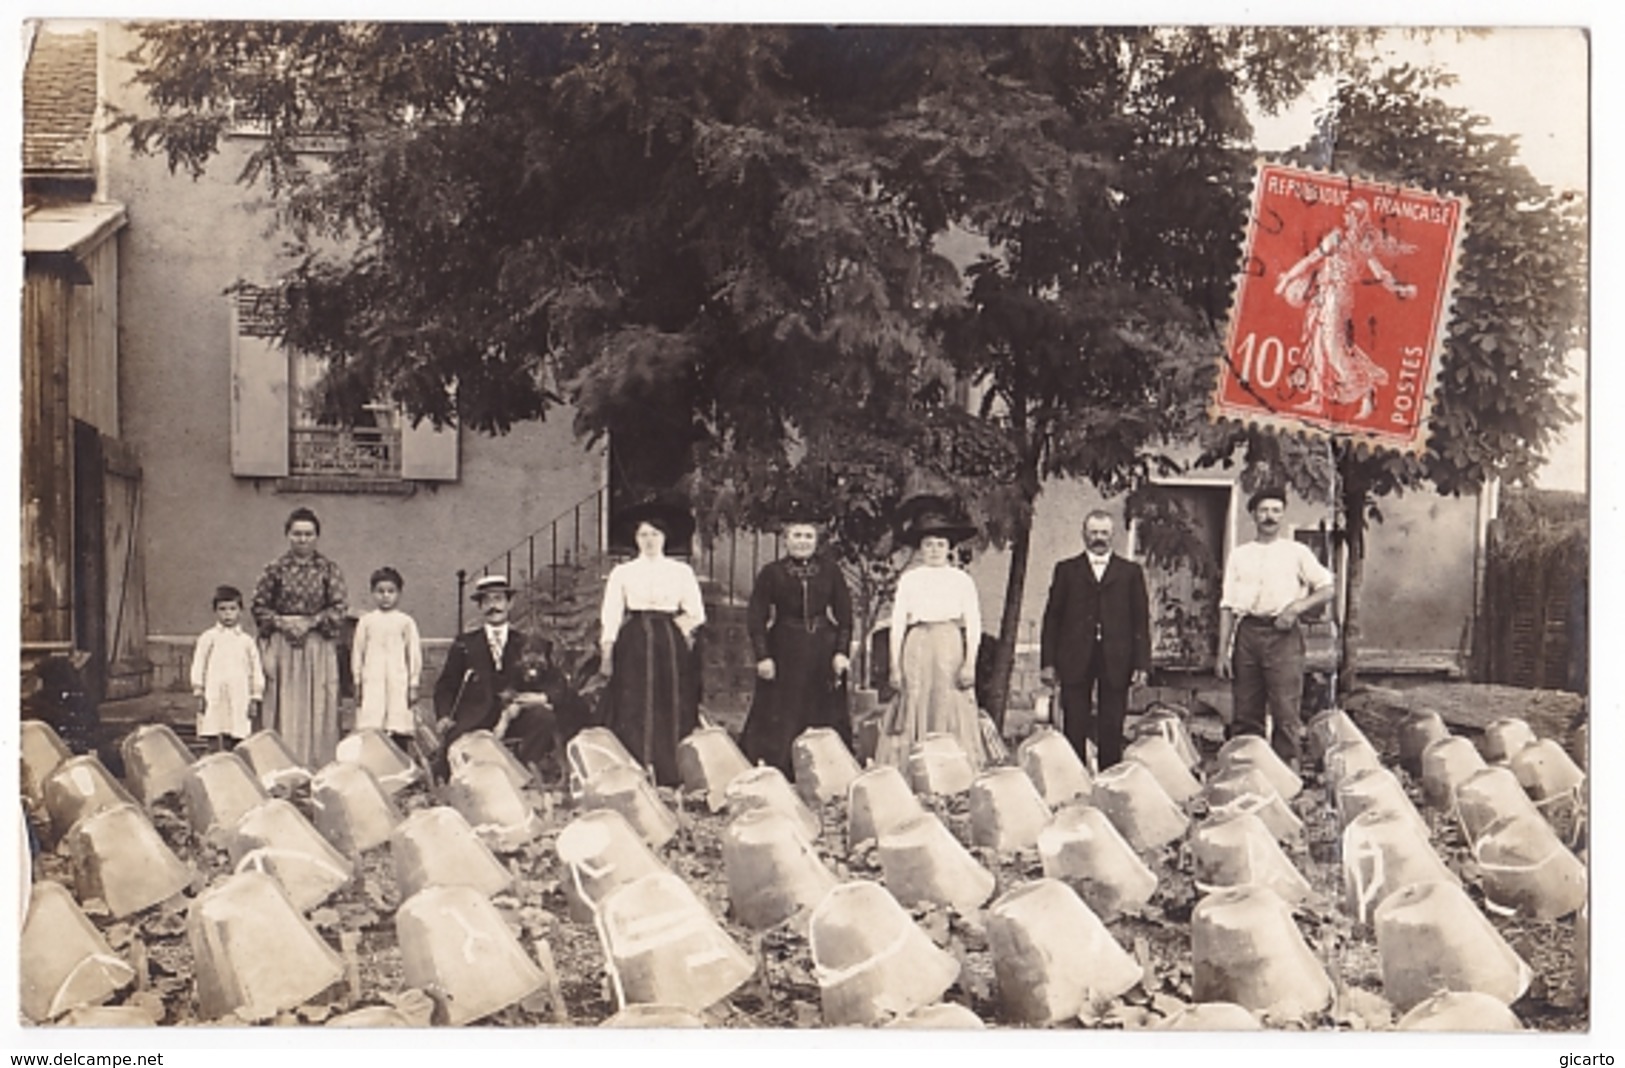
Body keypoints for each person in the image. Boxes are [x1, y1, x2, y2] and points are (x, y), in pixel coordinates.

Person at [1215, 487, 1336, 769]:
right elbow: (1227, 606)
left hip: (1284, 636)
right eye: (1263, 511)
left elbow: (1328, 588)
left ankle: (1287, 777)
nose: (1269, 517)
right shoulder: (1240, 555)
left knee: (1285, 711)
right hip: (1247, 633)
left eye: (1275, 510)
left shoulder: (1296, 552)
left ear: (1282, 515)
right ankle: (1248, 773)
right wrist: (1222, 653)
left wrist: (1295, 608)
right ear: (1254, 515)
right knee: (1246, 711)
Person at [1275, 198, 1417, 420]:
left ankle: (1361, 384)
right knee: (1318, 343)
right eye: (1346, 213)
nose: (1345, 217)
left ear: (1358, 218)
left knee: (1332, 347)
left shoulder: (1353, 242)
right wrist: (1288, 280)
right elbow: (1311, 260)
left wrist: (1399, 289)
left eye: (1350, 214)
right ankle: (1319, 397)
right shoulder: (1348, 240)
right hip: (1326, 294)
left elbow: (1379, 273)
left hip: (1336, 296)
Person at [739, 509, 854, 777]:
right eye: (797, 536)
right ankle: (780, 769)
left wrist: (841, 652)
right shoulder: (771, 573)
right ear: (786, 540)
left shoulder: (830, 571)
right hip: (784, 647)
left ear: (816, 541)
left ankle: (826, 770)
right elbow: (756, 617)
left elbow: (845, 616)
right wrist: (762, 656)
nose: (802, 541)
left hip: (822, 650)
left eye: (808, 536)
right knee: (782, 709)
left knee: (823, 709)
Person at [876, 496, 989, 770]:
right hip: (917, 644)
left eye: (941, 544)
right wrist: (894, 665)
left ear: (950, 548)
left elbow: (973, 623)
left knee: (946, 699)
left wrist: (970, 664)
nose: (935, 550)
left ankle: (949, 768)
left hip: (949, 644)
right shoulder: (911, 579)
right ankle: (913, 767)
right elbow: (899, 622)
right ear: (920, 549)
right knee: (915, 696)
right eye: (928, 545)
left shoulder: (961, 580)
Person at [598, 503, 706, 786]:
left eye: (655, 534)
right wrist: (607, 651)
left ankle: (670, 771)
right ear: (635, 539)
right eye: (643, 534)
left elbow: (696, 612)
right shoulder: (623, 572)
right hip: (634, 639)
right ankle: (637, 768)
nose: (649, 540)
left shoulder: (680, 571)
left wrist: (676, 629)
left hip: (669, 642)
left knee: (670, 699)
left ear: (665, 538)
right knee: (634, 702)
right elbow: (611, 613)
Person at [1039, 510, 1152, 772]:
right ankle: (1073, 778)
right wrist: (1048, 662)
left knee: (1112, 722)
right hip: (1075, 656)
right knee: (1074, 722)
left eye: (1104, 533)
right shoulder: (1066, 570)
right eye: (1093, 532)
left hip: (1117, 657)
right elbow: (1052, 617)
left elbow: (1140, 620)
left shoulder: (1130, 572)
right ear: (1084, 534)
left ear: (1112, 535)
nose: (1098, 538)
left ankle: (1110, 777)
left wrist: (1142, 664)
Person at [432, 574, 570, 782]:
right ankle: (465, 782)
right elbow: (446, 685)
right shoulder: (465, 644)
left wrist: (542, 698)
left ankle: (520, 775)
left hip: (516, 716)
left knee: (544, 718)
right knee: (454, 742)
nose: (493, 606)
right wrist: (443, 715)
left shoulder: (528, 643)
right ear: (480, 607)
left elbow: (556, 683)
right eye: (486, 601)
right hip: (474, 716)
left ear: (510, 603)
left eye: (498, 599)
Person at [252, 507, 347, 766]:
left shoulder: (329, 569)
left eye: (308, 534)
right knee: (283, 703)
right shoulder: (274, 569)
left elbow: (339, 607)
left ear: (316, 536)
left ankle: (315, 763)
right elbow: (259, 606)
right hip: (283, 645)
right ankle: (280, 763)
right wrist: (282, 623)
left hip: (316, 644)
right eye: (297, 534)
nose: (302, 539)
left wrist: (311, 622)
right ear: (288, 535)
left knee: (316, 706)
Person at [351, 566, 423, 753]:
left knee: (397, 725)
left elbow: (413, 654)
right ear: (372, 593)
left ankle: (400, 765)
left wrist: (413, 684)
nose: (385, 596)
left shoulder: (405, 622)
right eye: (380, 591)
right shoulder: (366, 622)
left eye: (391, 591)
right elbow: (358, 652)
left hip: (397, 681)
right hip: (372, 681)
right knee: (373, 727)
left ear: (399, 593)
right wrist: (357, 681)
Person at [191, 585, 265, 751]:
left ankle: (236, 765)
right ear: (215, 611)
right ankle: (216, 763)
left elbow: (255, 669)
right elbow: (199, 664)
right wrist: (199, 692)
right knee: (214, 728)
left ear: (240, 610)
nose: (227, 614)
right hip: (214, 694)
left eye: (232, 609)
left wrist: (255, 696)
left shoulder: (246, 641)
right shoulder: (208, 638)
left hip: (239, 694)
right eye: (222, 609)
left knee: (238, 731)